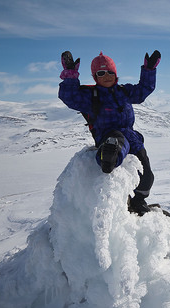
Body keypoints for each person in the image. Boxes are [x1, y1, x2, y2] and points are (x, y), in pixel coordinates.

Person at [58, 50, 161, 215]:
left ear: (115, 73)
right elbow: (70, 97)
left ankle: (139, 200)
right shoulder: (91, 96)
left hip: (130, 135)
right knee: (117, 142)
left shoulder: (124, 91)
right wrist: (70, 75)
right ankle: (107, 158)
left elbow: (143, 90)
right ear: (95, 77)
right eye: (101, 73)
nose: (106, 76)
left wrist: (149, 70)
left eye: (110, 72)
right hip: (107, 135)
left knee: (147, 173)